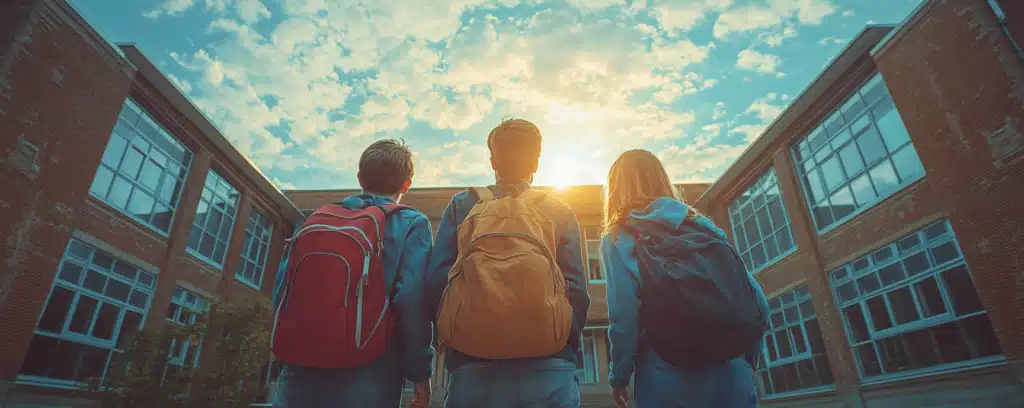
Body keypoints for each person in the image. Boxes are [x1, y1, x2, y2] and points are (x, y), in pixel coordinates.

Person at [424, 118, 591, 408]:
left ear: (492, 161)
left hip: (472, 367)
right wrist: (562, 342)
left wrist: (454, 342)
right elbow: (576, 288)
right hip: (549, 368)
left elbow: (437, 281)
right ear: (536, 162)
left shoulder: (464, 204)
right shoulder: (558, 209)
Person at [600, 149, 769, 408]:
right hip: (731, 370)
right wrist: (749, 356)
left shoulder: (618, 237)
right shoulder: (702, 225)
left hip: (666, 373)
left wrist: (619, 377)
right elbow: (755, 296)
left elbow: (624, 316)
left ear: (616, 189)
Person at [271, 139, 435, 408]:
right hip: (370, 372)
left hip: (300, 368)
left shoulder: (316, 219)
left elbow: (282, 290)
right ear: (407, 184)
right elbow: (410, 299)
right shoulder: (411, 223)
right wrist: (420, 373)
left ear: (359, 177)